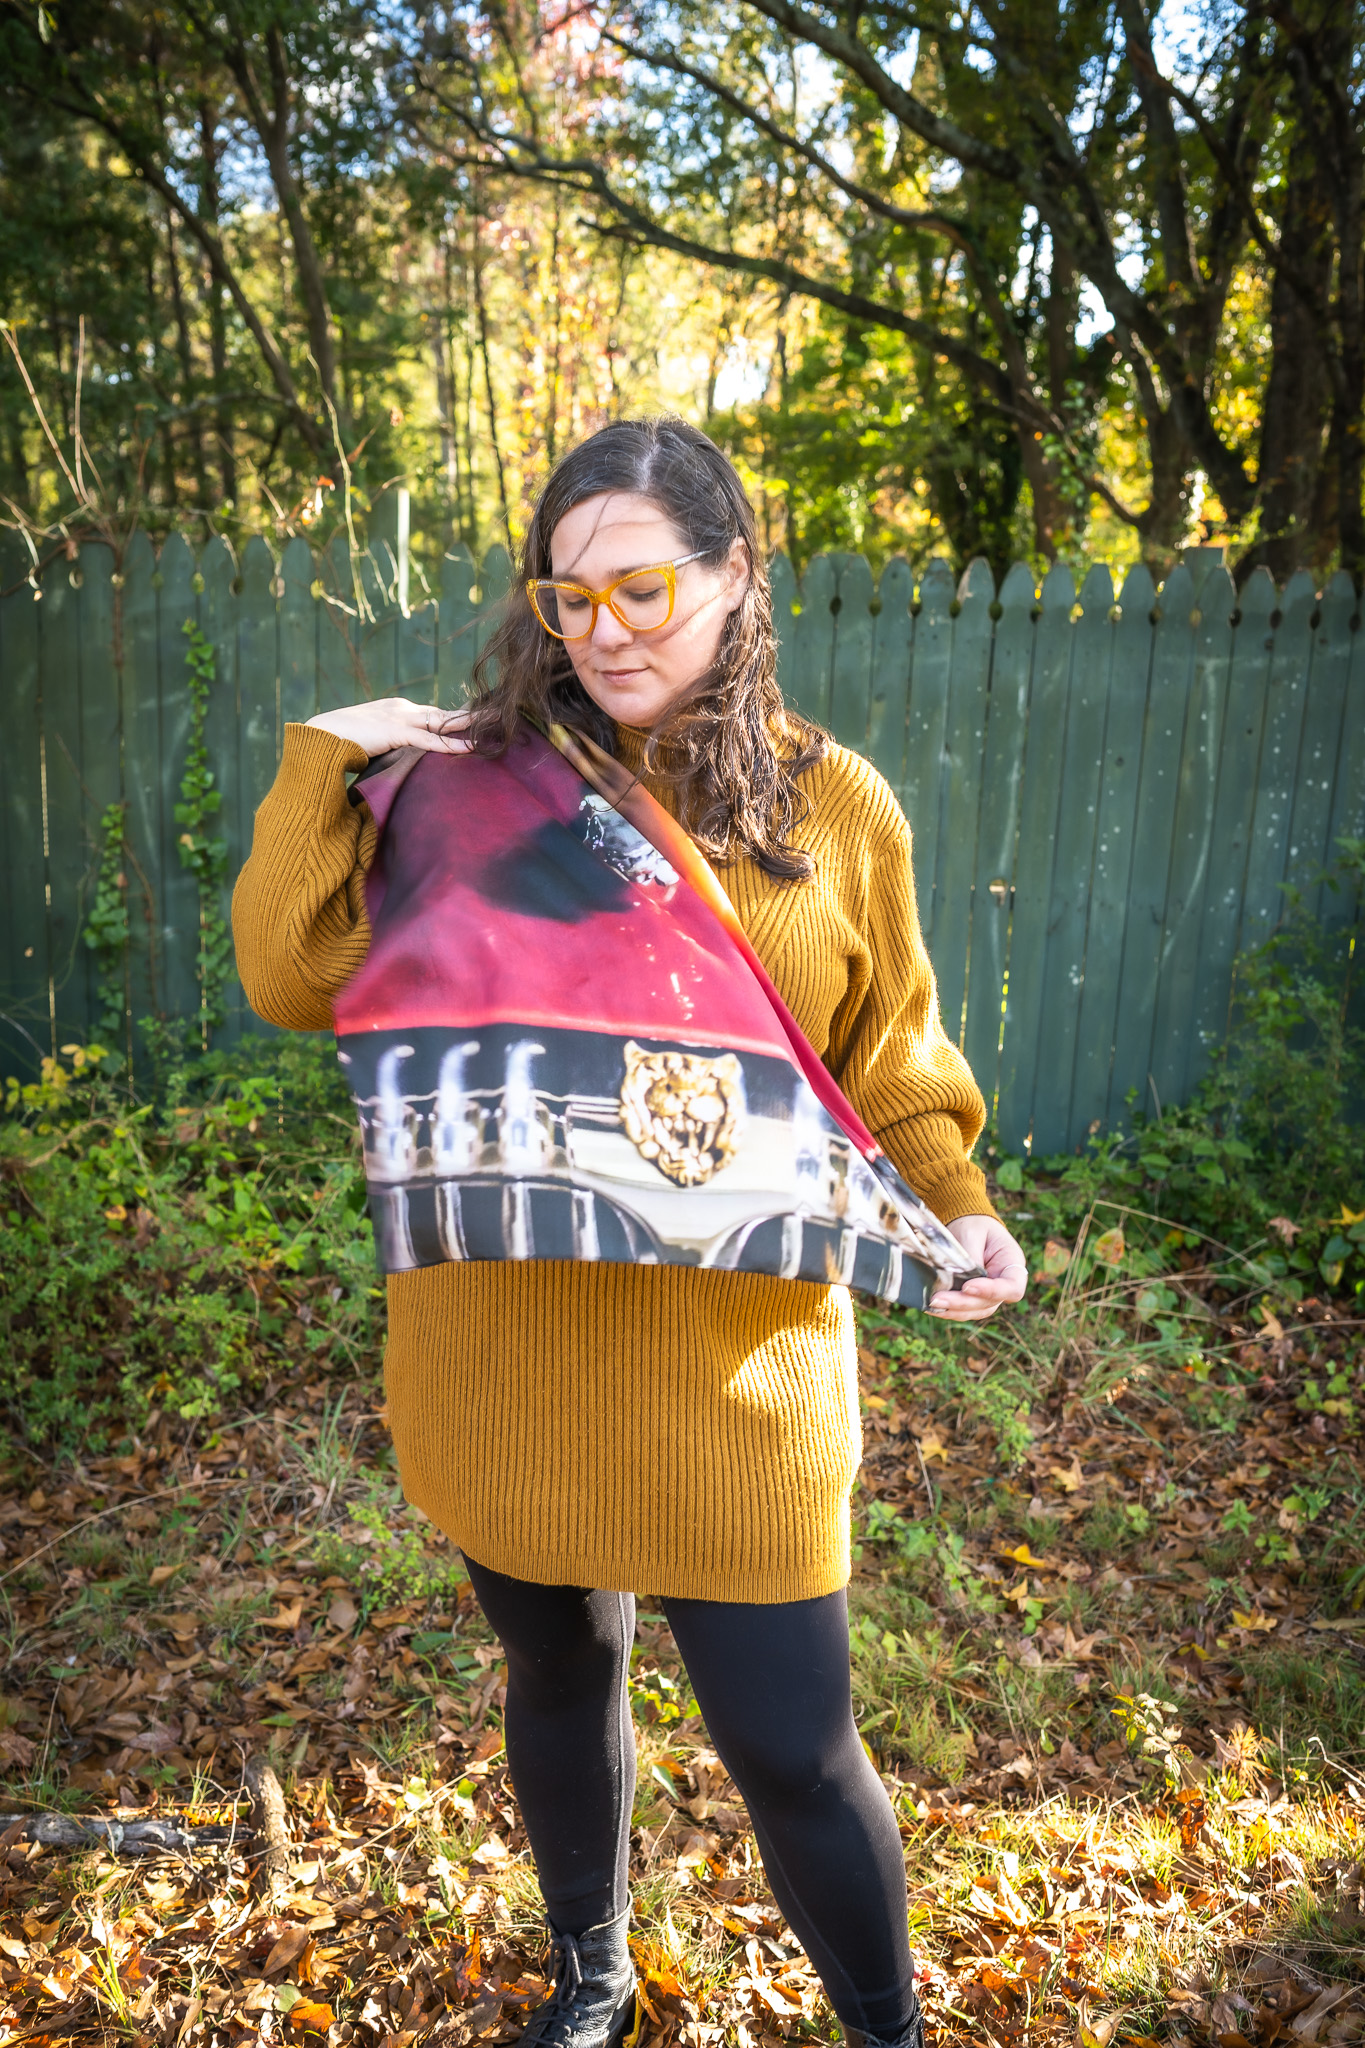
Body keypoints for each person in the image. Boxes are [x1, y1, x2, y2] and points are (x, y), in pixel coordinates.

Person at [232, 418, 1027, 2048]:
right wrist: (334, 757)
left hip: (738, 1370)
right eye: (568, 596)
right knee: (557, 1677)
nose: (604, 630)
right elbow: (292, 978)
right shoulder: (466, 794)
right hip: (506, 1355)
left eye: (644, 588)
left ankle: (886, 2032)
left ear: (734, 579)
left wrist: (957, 1203)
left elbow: (888, 1055)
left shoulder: (833, 805)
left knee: (796, 1749)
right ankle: (590, 1975)